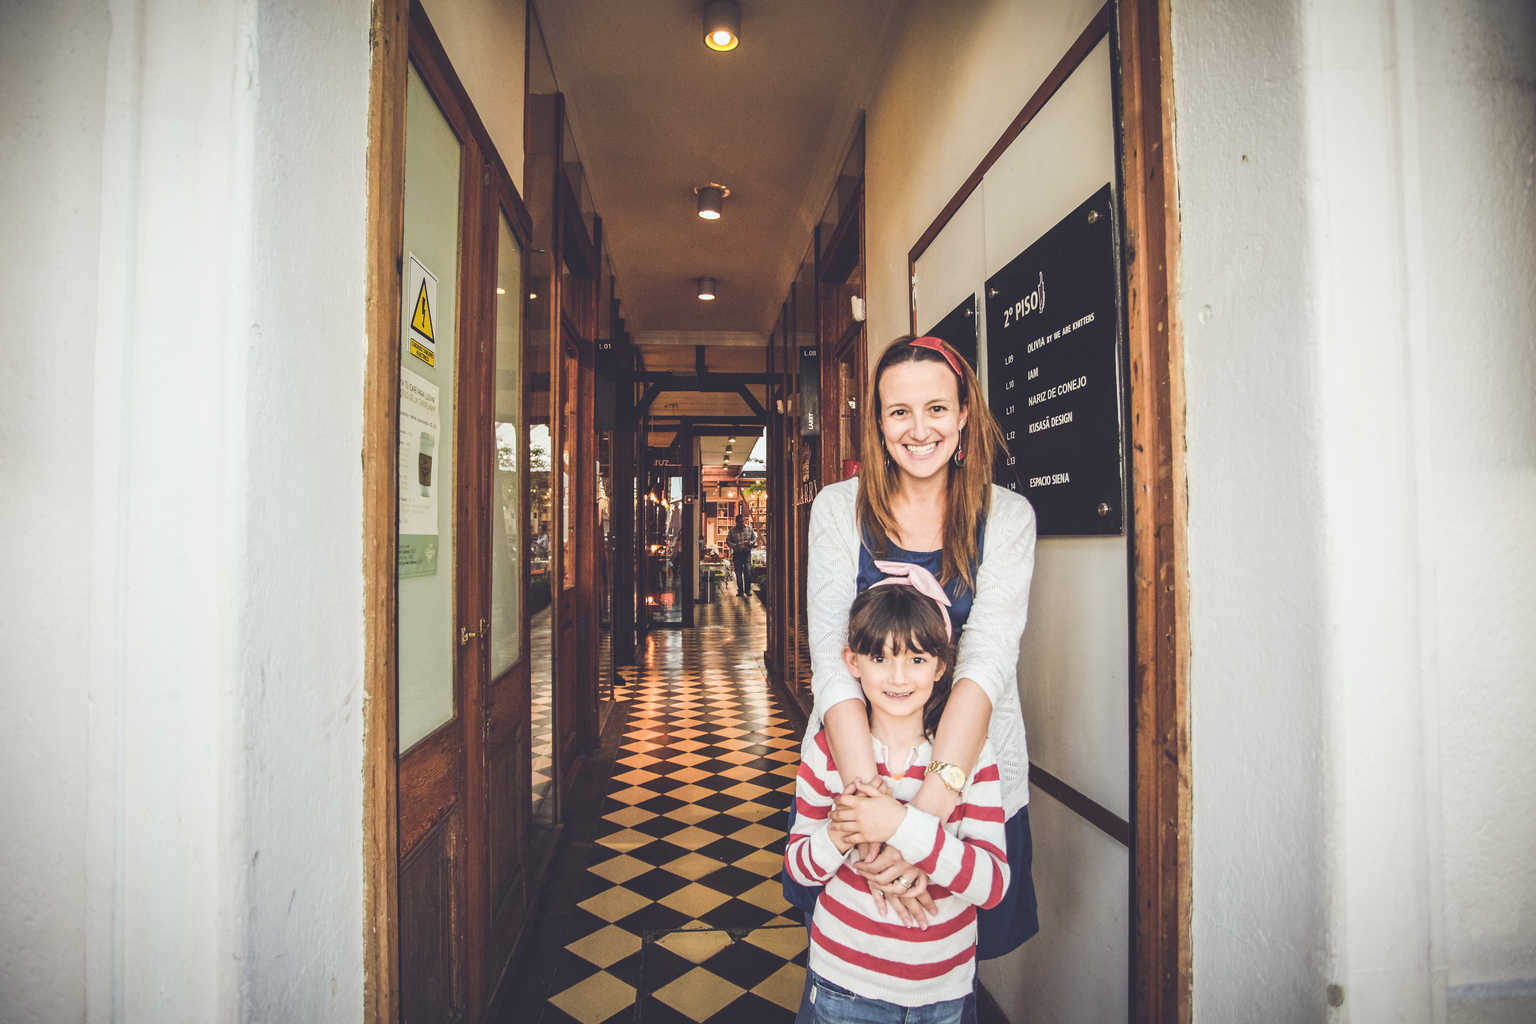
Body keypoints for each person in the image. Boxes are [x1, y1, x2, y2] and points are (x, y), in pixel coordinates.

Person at [785, 335, 1039, 1014]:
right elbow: (831, 662)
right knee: (854, 959)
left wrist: (918, 822)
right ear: (877, 422)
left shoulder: (1008, 517)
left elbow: (984, 664)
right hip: (852, 775)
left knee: (940, 961)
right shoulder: (839, 508)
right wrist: (869, 817)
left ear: (964, 415)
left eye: (936, 409)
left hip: (964, 778)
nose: (918, 429)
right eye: (899, 412)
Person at [787, 575, 1007, 1024]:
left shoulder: (973, 757)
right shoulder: (827, 751)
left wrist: (899, 827)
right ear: (852, 662)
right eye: (879, 657)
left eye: (917, 658)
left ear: (941, 667)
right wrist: (838, 835)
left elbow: (993, 885)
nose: (899, 677)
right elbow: (799, 867)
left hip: (943, 989)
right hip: (843, 982)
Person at [726, 512, 756, 598]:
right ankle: (740, 591)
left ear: (744, 521)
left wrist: (750, 543)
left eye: (742, 521)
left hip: (747, 553)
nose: (741, 523)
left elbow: (754, 538)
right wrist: (735, 545)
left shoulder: (749, 529)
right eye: (739, 522)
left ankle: (748, 590)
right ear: (736, 522)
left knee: (748, 572)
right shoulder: (732, 530)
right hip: (737, 554)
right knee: (738, 573)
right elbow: (728, 541)